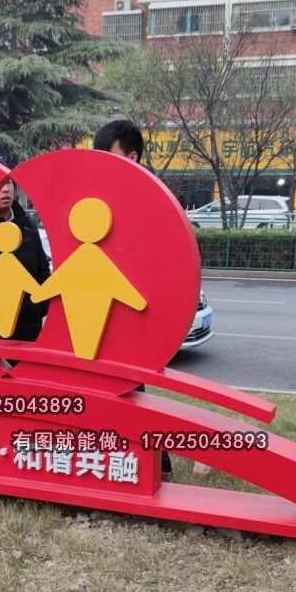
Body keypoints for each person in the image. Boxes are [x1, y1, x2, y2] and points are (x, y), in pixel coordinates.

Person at [93, 120, 173, 480]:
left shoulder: (151, 199)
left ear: (133, 157)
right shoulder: (104, 196)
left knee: (131, 386)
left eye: (108, 156)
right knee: (105, 386)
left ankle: (156, 460)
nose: (102, 164)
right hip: (103, 307)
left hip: (135, 308)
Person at [0, 177, 51, 344]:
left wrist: (39, 307)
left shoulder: (28, 226)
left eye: (8, 183)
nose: (5, 190)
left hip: (29, 328)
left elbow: (43, 271)